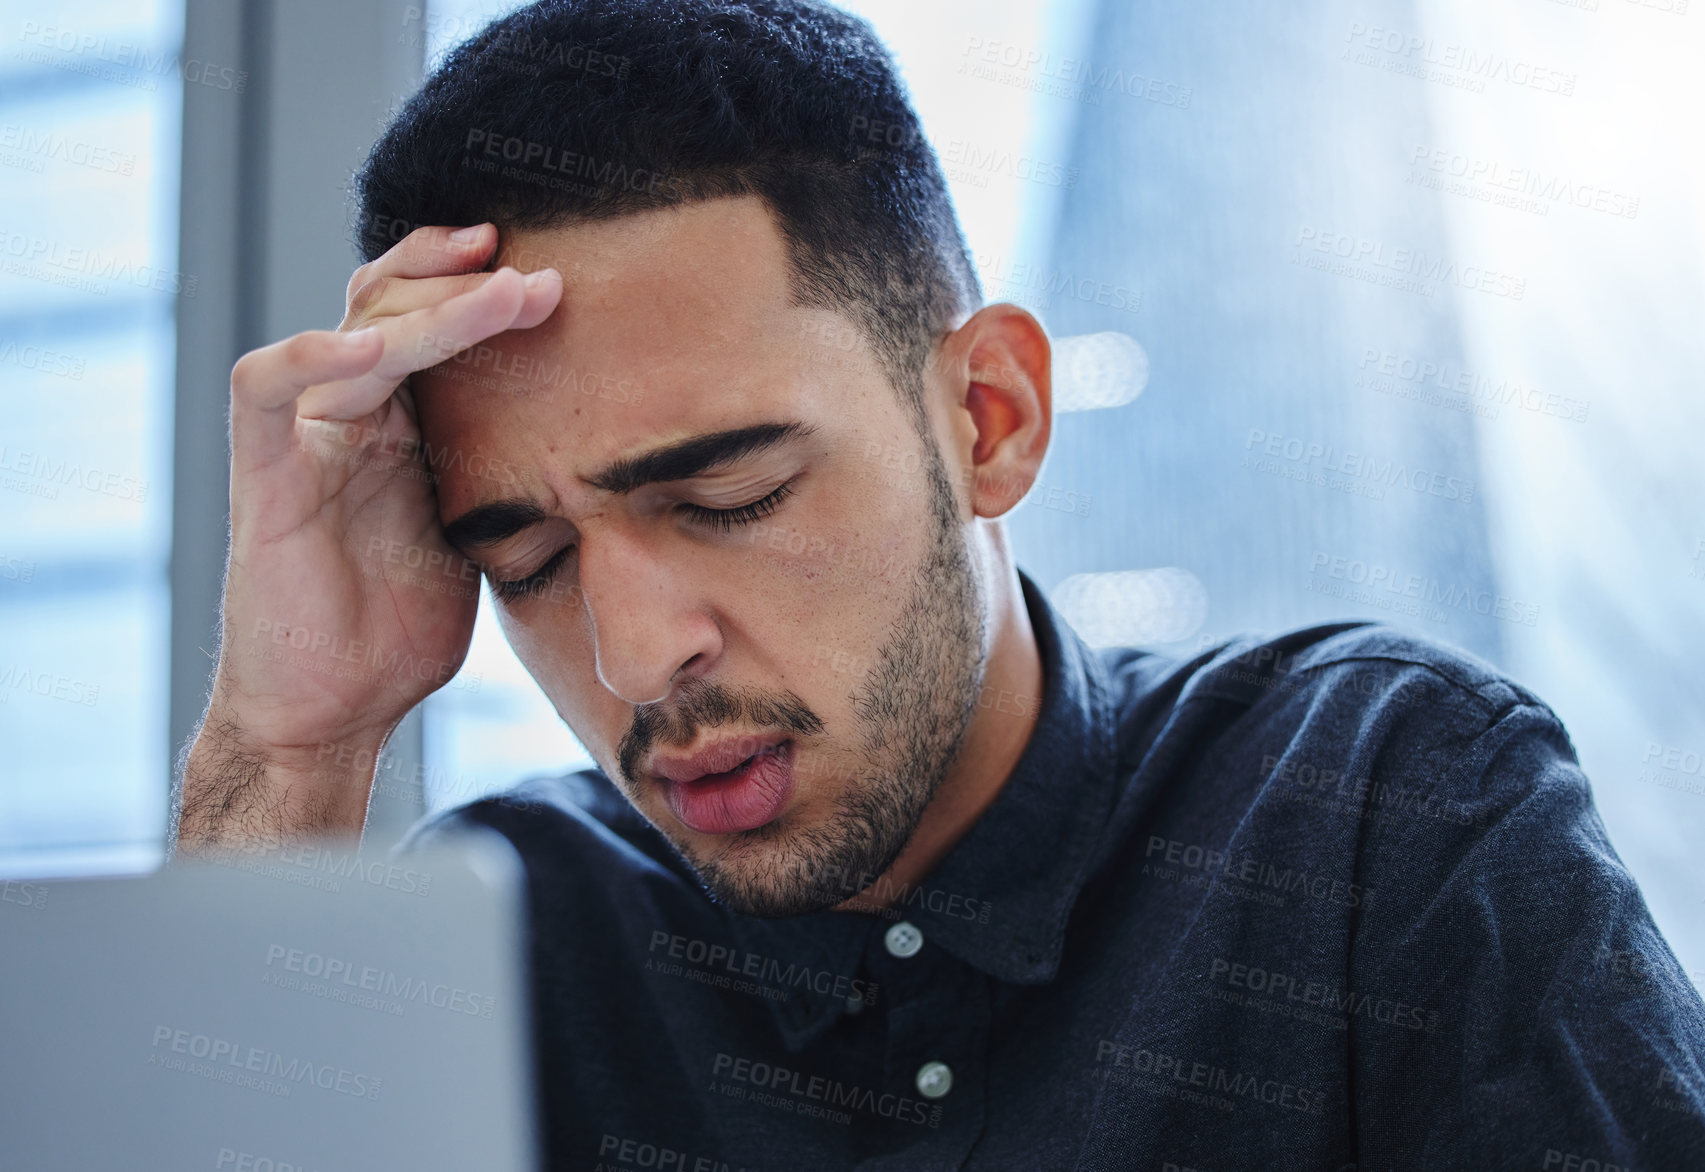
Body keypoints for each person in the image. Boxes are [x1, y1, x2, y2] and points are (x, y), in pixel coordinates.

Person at [170, 0, 1705, 1167]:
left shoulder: (1382, 819)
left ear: (988, 421)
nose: (637, 657)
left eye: (730, 498)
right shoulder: (506, 936)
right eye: (528, 558)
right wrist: (290, 746)